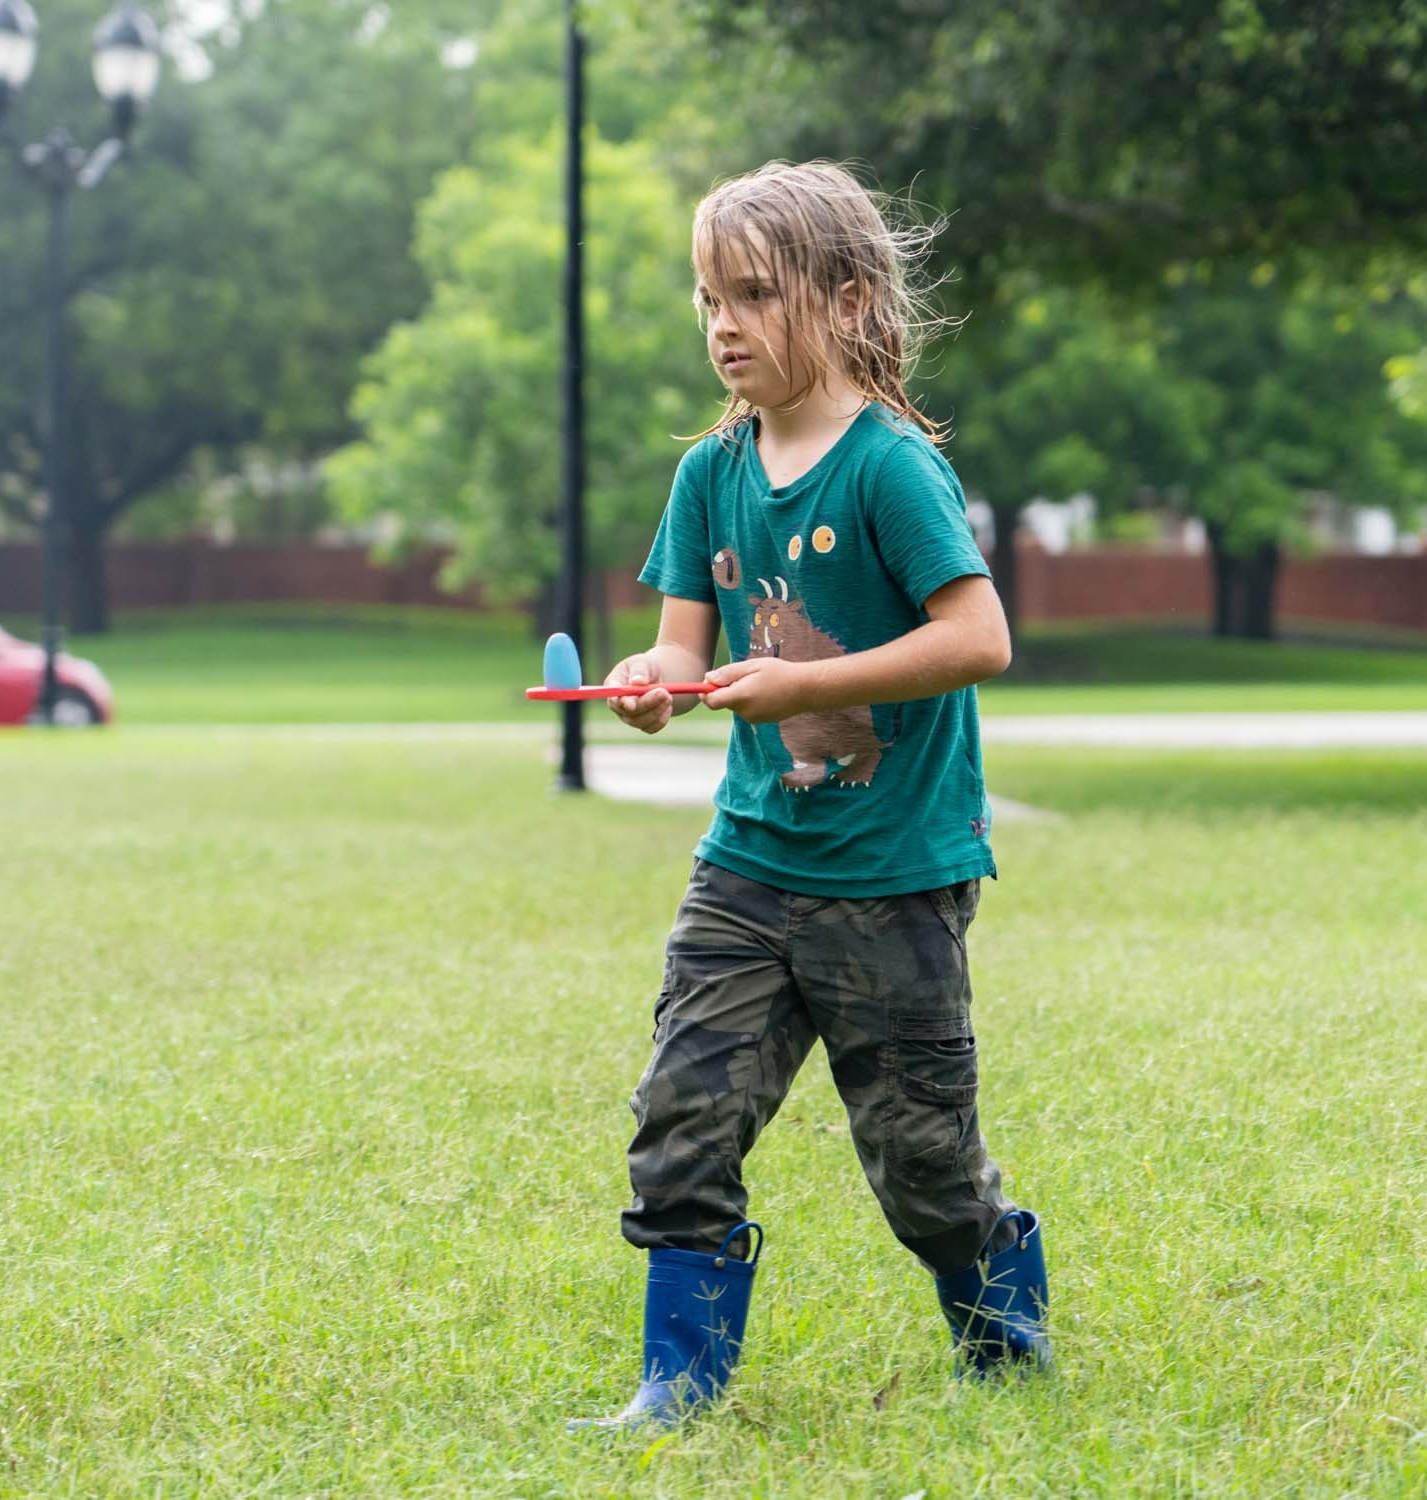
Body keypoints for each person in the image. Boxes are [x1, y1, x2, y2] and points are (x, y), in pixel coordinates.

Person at [572, 160, 1050, 1433]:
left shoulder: (890, 469)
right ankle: (677, 1381)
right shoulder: (709, 473)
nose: (720, 324)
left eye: (750, 295)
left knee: (922, 1165)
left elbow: (979, 638)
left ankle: (1003, 1335)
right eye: (704, 298)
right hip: (747, 865)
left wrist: (795, 689)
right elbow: (682, 646)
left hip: (894, 876)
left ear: (844, 301)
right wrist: (651, 682)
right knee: (680, 1115)